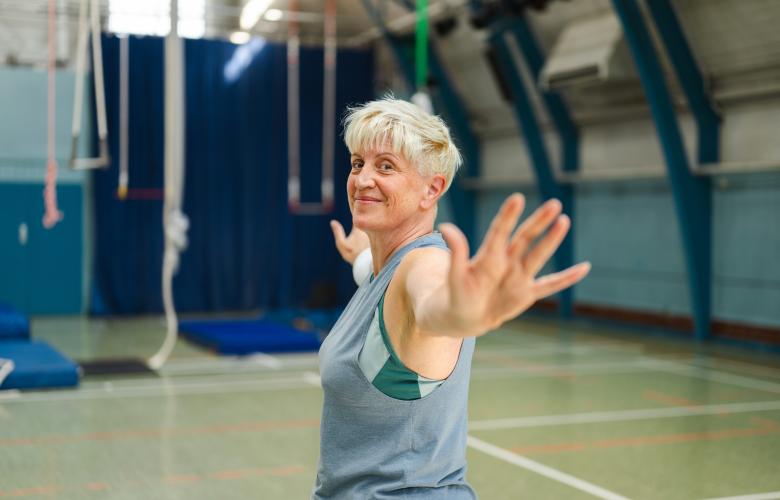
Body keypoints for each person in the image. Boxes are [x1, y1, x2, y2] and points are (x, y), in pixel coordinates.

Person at [314, 97, 590, 499]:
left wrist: (465, 315)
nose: (363, 179)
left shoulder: (424, 265)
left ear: (432, 189)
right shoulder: (381, 270)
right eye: (358, 163)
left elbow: (433, 305)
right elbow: (373, 275)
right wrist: (360, 252)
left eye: (385, 166)